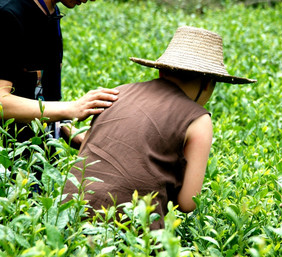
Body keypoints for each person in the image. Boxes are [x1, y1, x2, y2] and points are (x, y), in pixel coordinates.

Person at [63, 25, 256, 229]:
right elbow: (189, 202)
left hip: (68, 213)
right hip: (129, 229)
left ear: (161, 71)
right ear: (207, 83)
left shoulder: (116, 94)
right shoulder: (199, 119)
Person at [0, 0, 119, 146]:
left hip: (43, 158)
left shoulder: (52, 12)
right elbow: (1, 101)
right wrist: (71, 108)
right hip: (9, 161)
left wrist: (71, 131)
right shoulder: (8, 14)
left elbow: (43, 96)